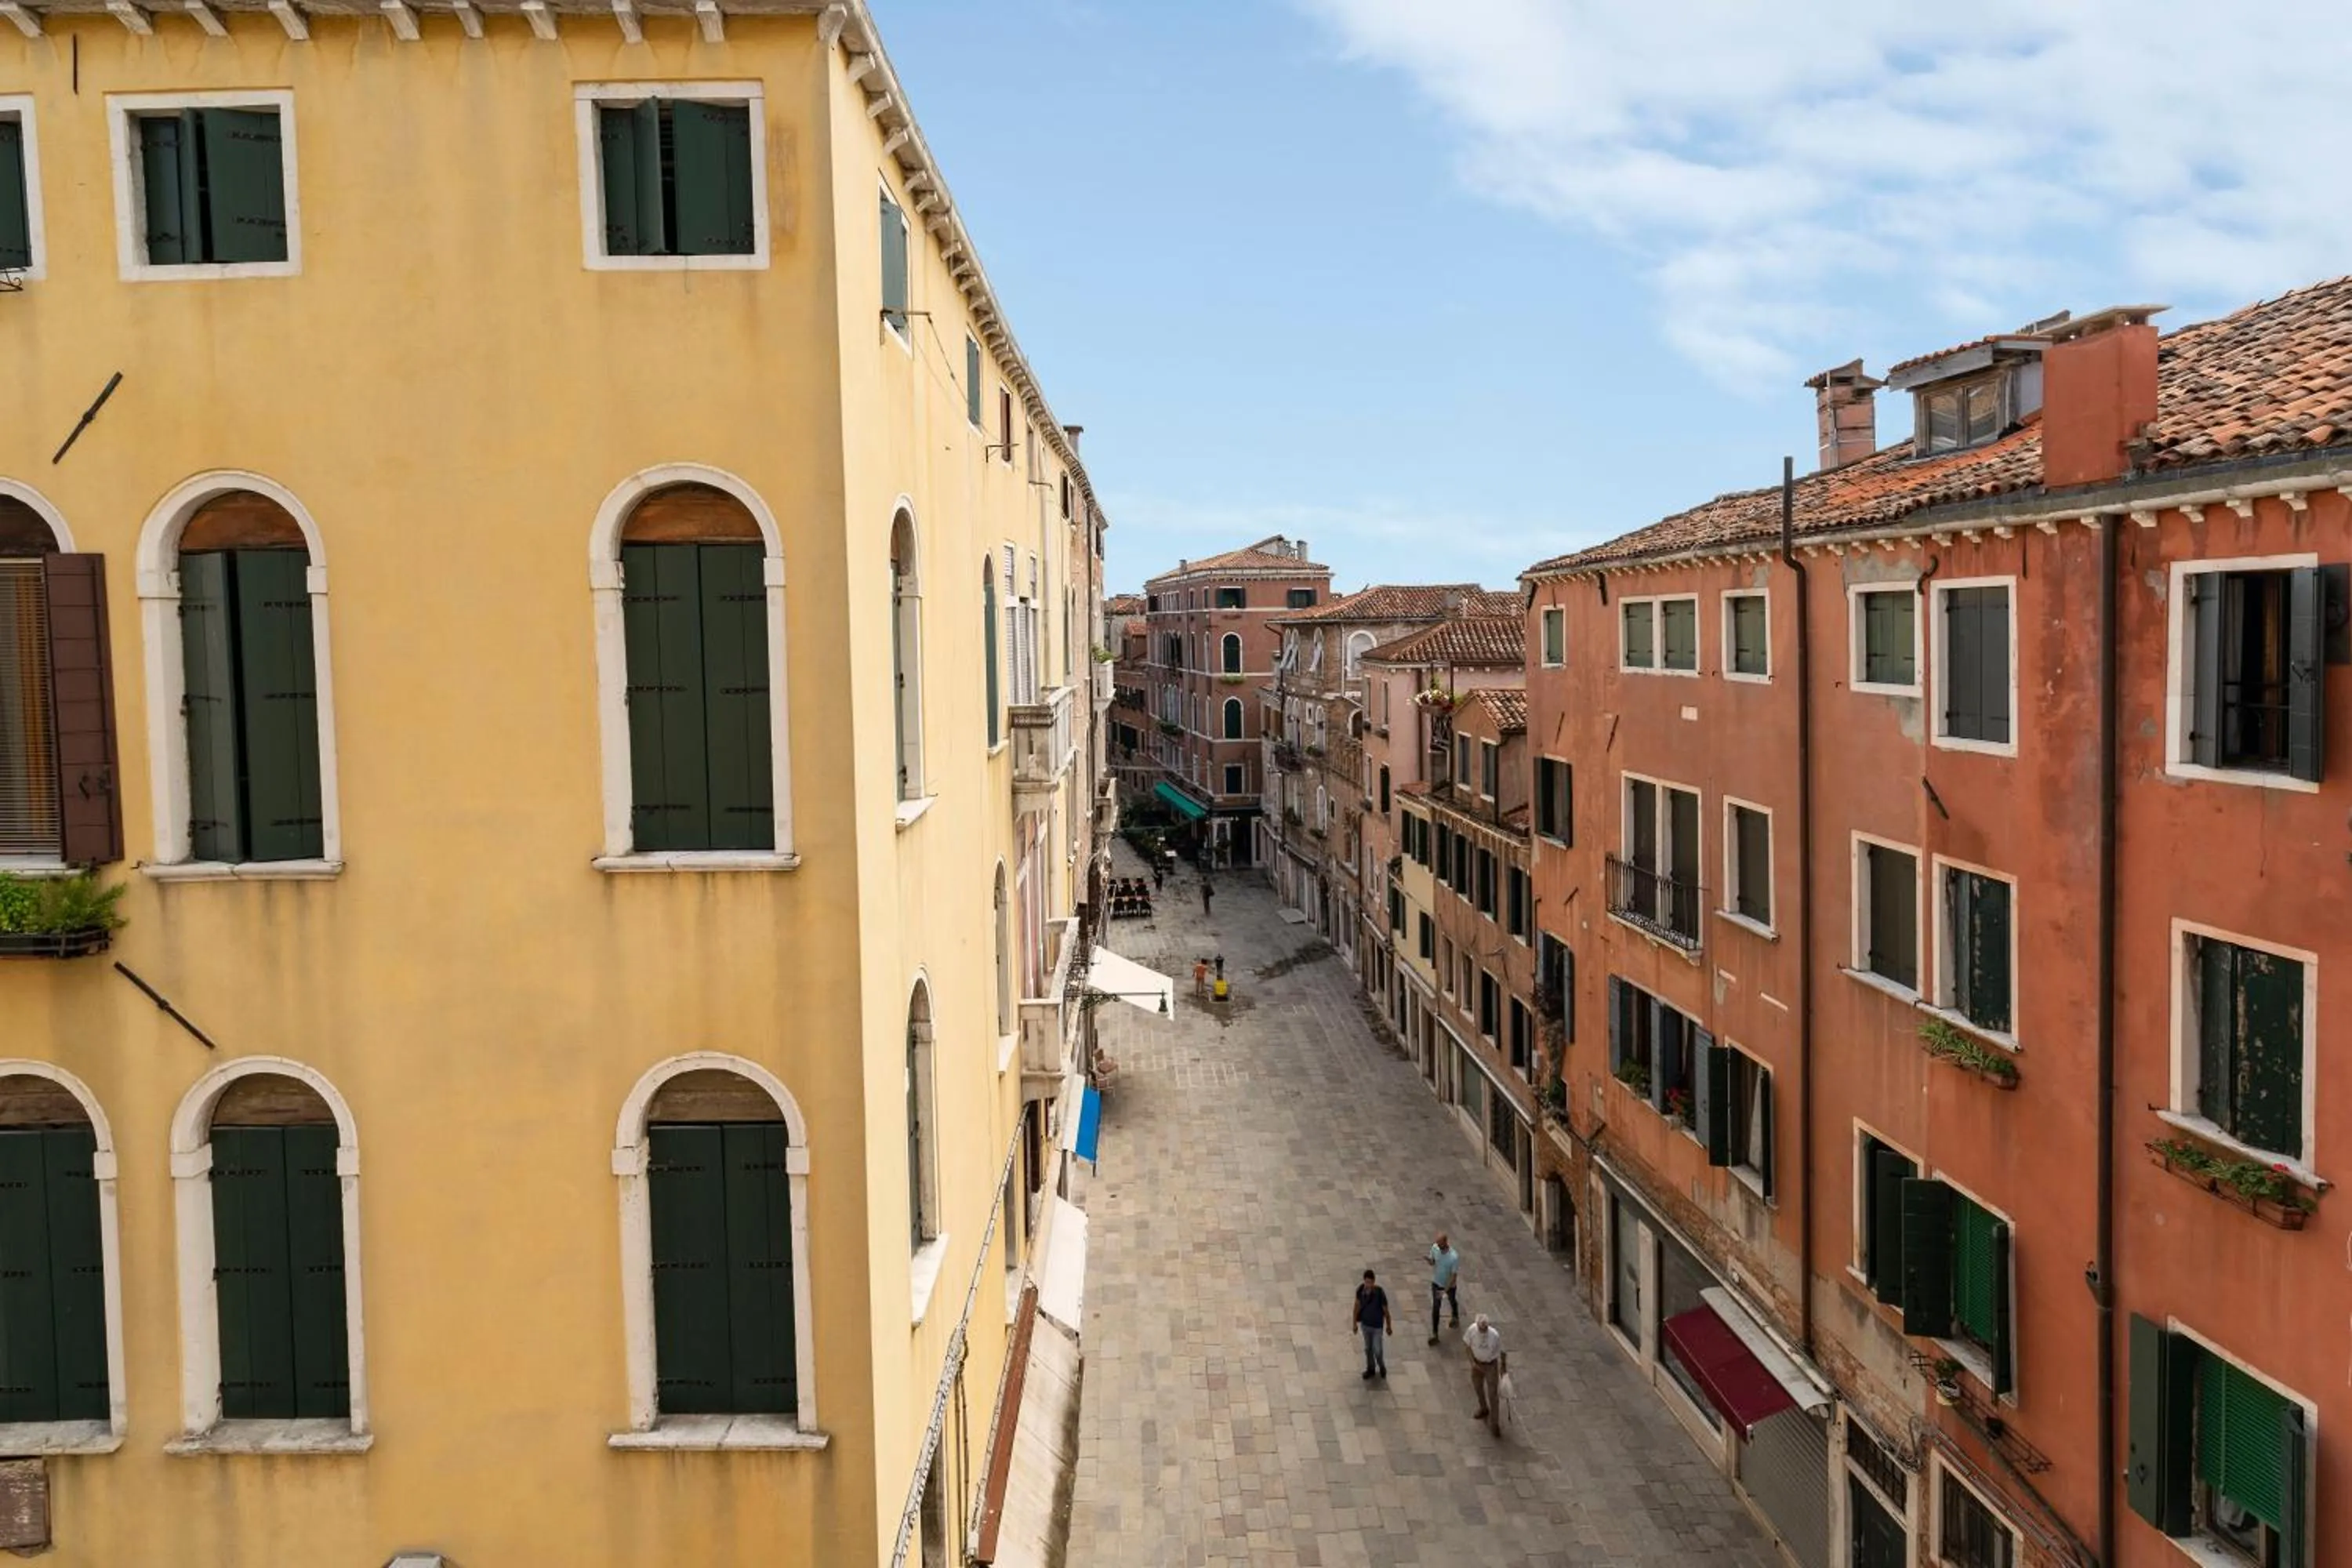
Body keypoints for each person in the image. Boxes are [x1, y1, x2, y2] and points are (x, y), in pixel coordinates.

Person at [1465, 1313, 1505, 1435]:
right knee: (1478, 1387)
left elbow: (1501, 1352)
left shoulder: (1494, 1335)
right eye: (1481, 1328)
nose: (1483, 1330)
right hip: (1477, 1364)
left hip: (1490, 1365)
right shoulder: (1472, 1330)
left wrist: (1503, 1367)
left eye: (1485, 1328)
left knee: (1493, 1394)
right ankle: (1483, 1408)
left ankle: (1495, 1423)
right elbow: (1467, 1345)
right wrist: (1472, 1362)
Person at [1352, 1269, 1392, 1381]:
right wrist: (1354, 1323)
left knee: (1377, 1349)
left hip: (1377, 1327)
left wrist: (1389, 1326)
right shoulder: (1360, 1291)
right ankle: (1371, 1369)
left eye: (1370, 1282)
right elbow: (1356, 1307)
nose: (1368, 1285)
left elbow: (1386, 1311)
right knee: (1368, 1348)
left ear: (1374, 1282)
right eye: (1366, 1282)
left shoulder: (1379, 1293)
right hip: (1366, 1325)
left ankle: (1381, 1366)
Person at [1427, 1233, 1461, 1344]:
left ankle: (1455, 1315)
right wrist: (1429, 1261)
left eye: (1440, 1244)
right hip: (1436, 1283)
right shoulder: (1435, 1248)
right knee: (1436, 1307)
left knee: (1452, 1299)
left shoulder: (1453, 1257)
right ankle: (1435, 1333)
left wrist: (1444, 1291)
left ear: (1446, 1242)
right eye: (1437, 1243)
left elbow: (1453, 1277)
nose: (1438, 1246)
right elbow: (1433, 1262)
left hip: (1449, 1286)